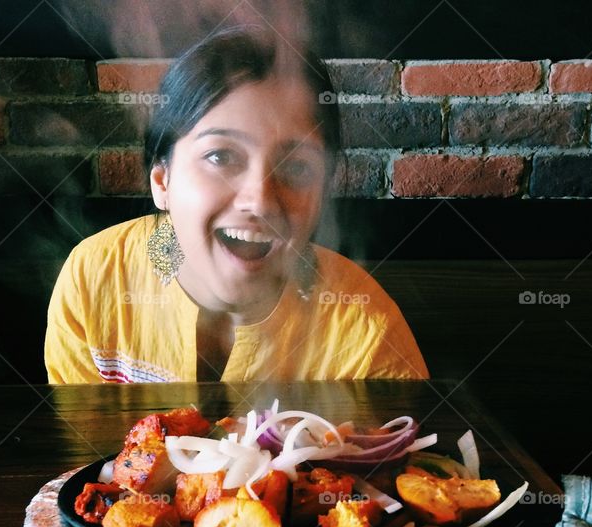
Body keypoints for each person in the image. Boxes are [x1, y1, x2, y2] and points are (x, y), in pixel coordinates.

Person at [45, 28, 428, 384]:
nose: (260, 200)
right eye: (220, 156)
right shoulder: (97, 280)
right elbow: (86, 450)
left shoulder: (365, 333)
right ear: (162, 182)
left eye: (295, 166)